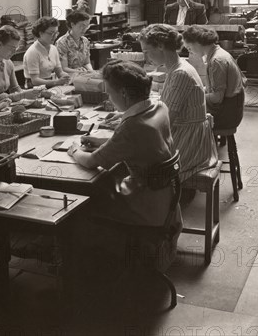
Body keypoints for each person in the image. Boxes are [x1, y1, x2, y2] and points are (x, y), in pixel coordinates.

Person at [66, 61, 182, 274]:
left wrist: (74, 150)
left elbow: (92, 162)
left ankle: (84, 265)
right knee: (105, 182)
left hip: (145, 205)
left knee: (80, 203)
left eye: (110, 94)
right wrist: (101, 142)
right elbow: (140, 142)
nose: (109, 98)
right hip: (166, 199)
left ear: (125, 94)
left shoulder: (131, 127)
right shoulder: (159, 107)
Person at [137, 24, 217, 182]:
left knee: (132, 158)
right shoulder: (177, 67)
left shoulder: (180, 73)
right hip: (189, 137)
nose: (146, 56)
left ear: (160, 46)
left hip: (188, 146)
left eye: (147, 51)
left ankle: (158, 202)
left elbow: (164, 123)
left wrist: (132, 124)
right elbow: (164, 111)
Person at [182, 26, 245, 129]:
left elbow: (217, 98)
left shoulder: (216, 61)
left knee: (185, 113)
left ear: (198, 43)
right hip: (231, 107)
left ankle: (197, 144)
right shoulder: (218, 52)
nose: (190, 52)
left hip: (227, 114)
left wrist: (194, 96)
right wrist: (199, 90)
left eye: (189, 48)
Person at [0, 26, 43, 102]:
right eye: (12, 48)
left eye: (16, 48)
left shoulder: (8, 62)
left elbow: (15, 89)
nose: (14, 52)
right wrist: (24, 95)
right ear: (0, 44)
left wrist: (36, 92)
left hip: (3, 107)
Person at [23, 16, 70, 88]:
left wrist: (65, 76)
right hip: (34, 89)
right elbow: (35, 80)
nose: (55, 36)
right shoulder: (33, 52)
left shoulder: (54, 49)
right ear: (41, 33)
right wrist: (56, 82)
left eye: (56, 33)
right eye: (51, 33)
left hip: (49, 85)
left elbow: (59, 72)